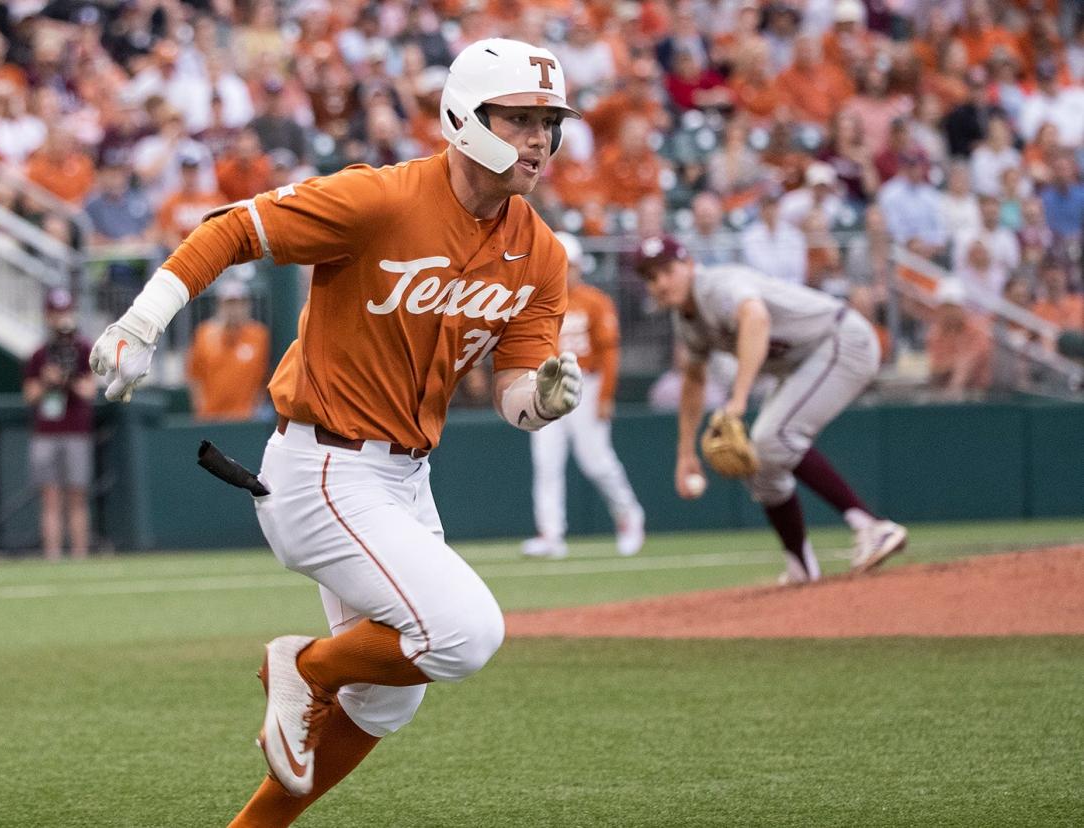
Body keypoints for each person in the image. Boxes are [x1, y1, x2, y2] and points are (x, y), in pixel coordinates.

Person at [87, 38, 583, 827]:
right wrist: (141, 323)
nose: (538, 138)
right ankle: (303, 666)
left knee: (389, 704)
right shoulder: (380, 199)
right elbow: (234, 228)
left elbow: (517, 396)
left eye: (548, 121)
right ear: (464, 117)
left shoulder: (540, 252)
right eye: (519, 117)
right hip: (323, 468)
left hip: (403, 480)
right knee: (464, 633)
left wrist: (546, 399)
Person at [634, 235, 908, 585]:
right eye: (650, 277)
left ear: (688, 264)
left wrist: (738, 399)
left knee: (772, 437)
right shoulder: (687, 320)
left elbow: (755, 317)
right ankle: (800, 565)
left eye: (667, 271)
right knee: (762, 465)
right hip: (805, 361)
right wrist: (685, 452)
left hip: (842, 341)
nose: (660, 283)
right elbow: (694, 381)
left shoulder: (717, 286)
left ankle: (871, 527)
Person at [522, 232, 644, 560]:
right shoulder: (538, 302)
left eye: (568, 266)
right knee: (546, 462)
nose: (563, 273)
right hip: (547, 386)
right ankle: (550, 533)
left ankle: (628, 515)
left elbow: (609, 352)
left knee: (597, 462)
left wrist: (605, 395)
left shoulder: (594, 300)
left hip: (584, 384)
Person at [22, 289, 95, 561]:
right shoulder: (39, 355)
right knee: (50, 497)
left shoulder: (84, 349)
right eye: (56, 313)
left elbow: (89, 390)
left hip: (76, 431)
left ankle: (79, 555)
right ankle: (52, 556)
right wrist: (46, 380)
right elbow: (29, 394)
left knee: (77, 496)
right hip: (47, 432)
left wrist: (66, 379)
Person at [186, 279, 271, 421]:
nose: (234, 310)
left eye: (239, 303)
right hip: (211, 417)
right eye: (229, 304)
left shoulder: (259, 335)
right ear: (219, 306)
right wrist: (201, 410)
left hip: (246, 417)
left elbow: (264, 376)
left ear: (247, 305)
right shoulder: (204, 334)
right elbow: (194, 376)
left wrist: (255, 407)